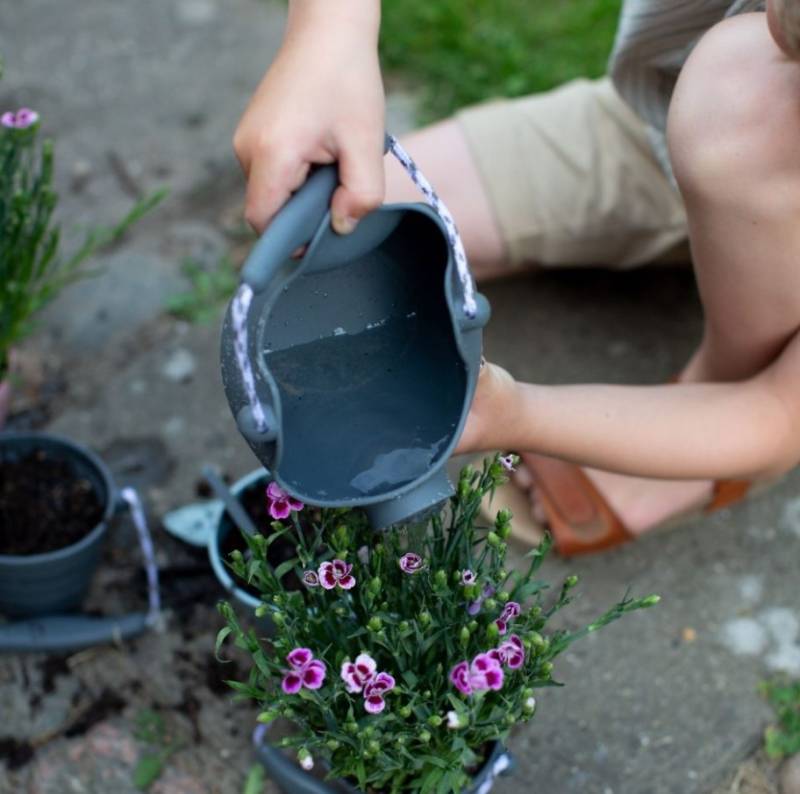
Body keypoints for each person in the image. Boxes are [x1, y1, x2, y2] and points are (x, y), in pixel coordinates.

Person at [232, 0, 800, 554]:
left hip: (746, 125)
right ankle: (715, 184)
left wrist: (515, 414)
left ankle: (710, 403)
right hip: (667, 117)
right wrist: (330, 36)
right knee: (346, 216)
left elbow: (773, 415)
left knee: (751, 84)